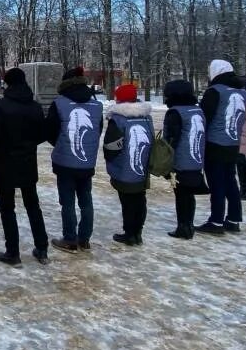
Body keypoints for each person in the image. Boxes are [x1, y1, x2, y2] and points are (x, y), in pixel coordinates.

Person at [0, 67, 50, 266]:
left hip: (5, 162)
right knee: (33, 206)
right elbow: (42, 134)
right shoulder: (35, 106)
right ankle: (42, 248)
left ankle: (12, 251)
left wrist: (4, 146)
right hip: (28, 162)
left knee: (7, 209)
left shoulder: (1, 106)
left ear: (8, 83)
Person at [45, 65, 103, 253]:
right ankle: (85, 239)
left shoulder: (59, 103)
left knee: (67, 201)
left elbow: (51, 131)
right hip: (87, 161)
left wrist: (61, 145)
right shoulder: (96, 105)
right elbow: (97, 130)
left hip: (65, 162)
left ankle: (70, 239)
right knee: (86, 200)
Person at [198, 59, 246, 235]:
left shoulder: (214, 92)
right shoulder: (242, 92)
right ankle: (234, 218)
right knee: (230, 180)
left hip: (215, 143)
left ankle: (216, 221)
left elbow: (204, 118)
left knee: (216, 182)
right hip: (233, 143)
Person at [102, 83, 153, 246]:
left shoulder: (118, 119)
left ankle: (129, 233)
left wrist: (110, 161)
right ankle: (138, 232)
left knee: (128, 201)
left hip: (124, 168)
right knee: (140, 199)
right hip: (142, 167)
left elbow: (111, 146)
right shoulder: (146, 117)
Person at [162, 79, 209, 240]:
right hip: (196, 159)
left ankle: (183, 227)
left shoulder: (175, 112)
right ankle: (188, 224)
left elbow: (171, 141)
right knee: (189, 194)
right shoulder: (197, 111)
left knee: (181, 195)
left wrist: (166, 163)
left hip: (181, 161)